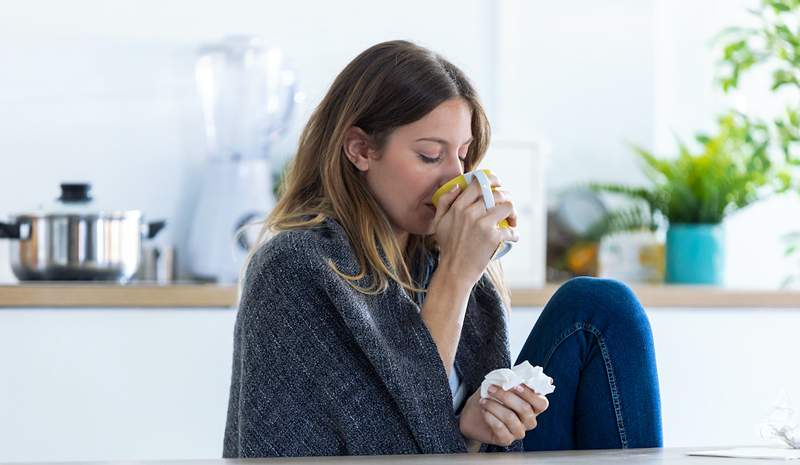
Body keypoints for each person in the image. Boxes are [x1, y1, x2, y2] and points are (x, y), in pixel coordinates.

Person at [223, 40, 662, 458]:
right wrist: (457, 275)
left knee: (599, 306)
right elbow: (386, 449)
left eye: (463, 156)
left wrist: (479, 427)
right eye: (431, 156)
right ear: (360, 149)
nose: (453, 177)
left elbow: (448, 438)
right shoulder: (298, 267)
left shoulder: (434, 256)